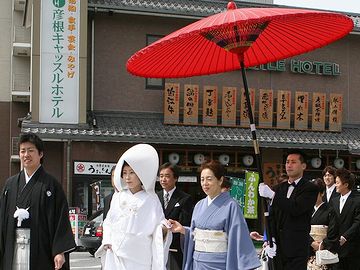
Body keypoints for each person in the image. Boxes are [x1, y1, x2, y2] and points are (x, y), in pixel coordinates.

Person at [0, 132, 76, 270]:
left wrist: (59, 251)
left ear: (40, 154)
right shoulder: (10, 185)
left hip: (40, 249)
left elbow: (60, 220)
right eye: (23, 151)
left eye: (30, 150)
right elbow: (2, 219)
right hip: (13, 245)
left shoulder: (51, 185)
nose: (26, 155)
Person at [169, 160, 260, 270]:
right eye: (202, 179)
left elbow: (238, 237)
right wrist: (183, 230)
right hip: (198, 263)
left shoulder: (231, 206)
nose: (204, 183)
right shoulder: (199, 205)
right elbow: (195, 234)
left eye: (209, 179)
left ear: (220, 180)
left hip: (219, 264)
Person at [95, 144, 172, 270]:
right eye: (124, 173)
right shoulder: (118, 196)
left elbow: (159, 224)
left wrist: (163, 228)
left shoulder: (151, 199)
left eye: (132, 173)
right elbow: (108, 221)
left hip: (140, 255)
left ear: (141, 174)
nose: (127, 177)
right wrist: (107, 240)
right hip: (116, 251)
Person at [259, 150, 318, 270]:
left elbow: (295, 208)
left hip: (296, 249)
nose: (289, 165)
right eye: (287, 162)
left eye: (293, 162)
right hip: (277, 248)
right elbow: (271, 217)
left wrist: (273, 196)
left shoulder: (310, 188)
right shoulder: (278, 188)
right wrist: (271, 240)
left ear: (303, 166)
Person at [157, 162, 193, 270]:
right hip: (157, 246)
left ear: (176, 178)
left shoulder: (184, 198)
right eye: (161, 176)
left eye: (167, 176)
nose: (163, 179)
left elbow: (185, 223)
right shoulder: (154, 197)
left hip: (174, 248)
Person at [330, 168, 360, 270]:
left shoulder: (357, 200)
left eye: (337, 182)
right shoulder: (334, 201)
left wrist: (345, 236)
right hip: (336, 247)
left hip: (353, 248)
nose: (335, 185)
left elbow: (358, 222)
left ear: (346, 185)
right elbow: (332, 223)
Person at [307, 178, 339, 270]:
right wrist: (311, 243)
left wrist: (322, 244)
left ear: (322, 193)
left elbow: (333, 232)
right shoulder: (306, 210)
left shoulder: (330, 210)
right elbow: (301, 228)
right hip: (308, 249)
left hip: (324, 250)